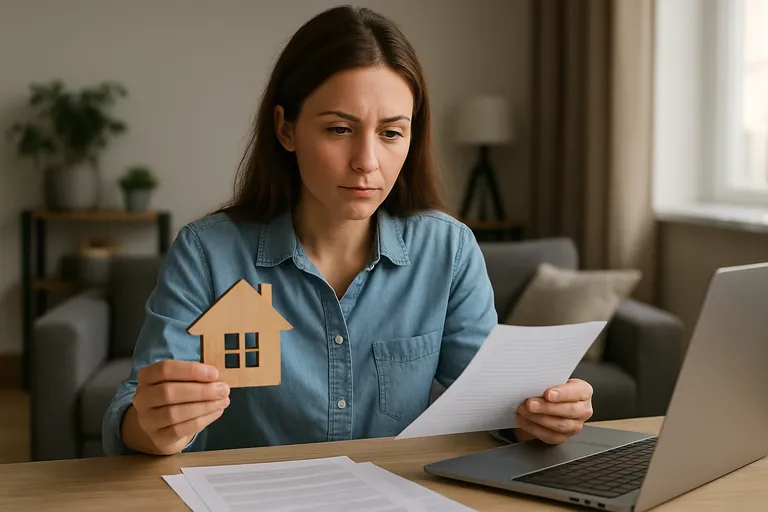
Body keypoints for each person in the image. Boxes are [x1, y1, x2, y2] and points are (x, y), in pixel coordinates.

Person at [102, 5, 594, 457]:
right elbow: (132, 415)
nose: (366, 162)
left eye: (391, 132)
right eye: (339, 129)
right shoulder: (207, 252)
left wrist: (542, 416)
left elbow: (499, 409)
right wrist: (154, 425)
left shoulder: (449, 250)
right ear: (286, 129)